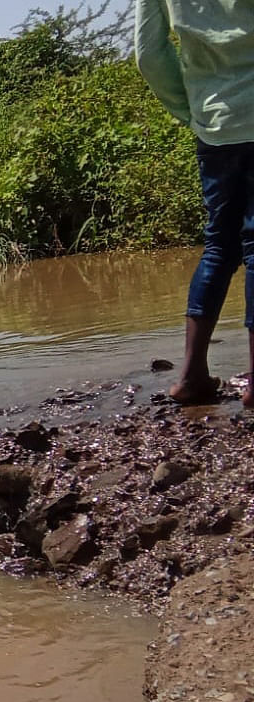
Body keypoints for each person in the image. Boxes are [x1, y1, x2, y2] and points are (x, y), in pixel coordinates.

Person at [137, 0, 254, 406]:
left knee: (220, 245)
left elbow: (149, 55)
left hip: (214, 123)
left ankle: (191, 375)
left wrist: (192, 112)